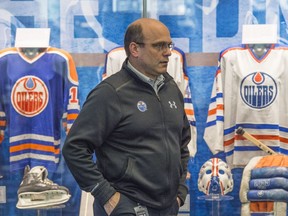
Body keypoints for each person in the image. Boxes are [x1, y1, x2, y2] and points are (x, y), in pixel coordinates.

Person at [62, 18, 191, 216]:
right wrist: (107, 196)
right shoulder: (111, 92)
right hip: (126, 207)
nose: (168, 52)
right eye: (159, 46)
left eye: (169, 45)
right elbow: (74, 148)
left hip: (168, 207)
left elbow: (181, 143)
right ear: (134, 49)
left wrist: (180, 192)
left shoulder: (171, 88)